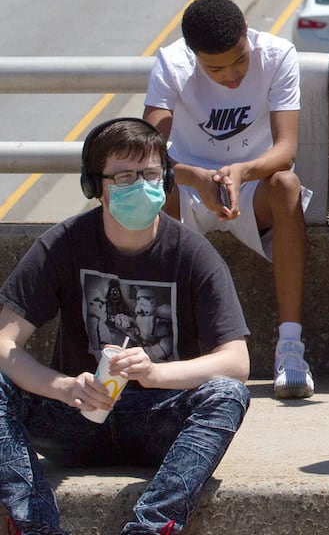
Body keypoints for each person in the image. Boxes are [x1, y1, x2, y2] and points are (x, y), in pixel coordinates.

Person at [0, 117, 250, 535]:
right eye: (125, 176)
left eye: (151, 174)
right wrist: (63, 387)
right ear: (96, 186)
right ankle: (34, 524)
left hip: (160, 416)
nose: (141, 185)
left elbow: (236, 360)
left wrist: (155, 373)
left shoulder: (193, 254)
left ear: (166, 179)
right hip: (77, 416)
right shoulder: (63, 244)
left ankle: (150, 528)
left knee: (228, 394)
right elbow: (5, 341)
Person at [143, 0, 315, 400]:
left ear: (247, 34)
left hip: (250, 185)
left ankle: (290, 347)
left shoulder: (277, 55)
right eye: (215, 68)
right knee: (151, 185)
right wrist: (194, 177)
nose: (232, 76)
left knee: (287, 184)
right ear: (193, 55)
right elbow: (147, 151)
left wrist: (241, 171)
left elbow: (285, 149)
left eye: (239, 60)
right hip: (187, 183)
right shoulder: (172, 64)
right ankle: (160, 346)